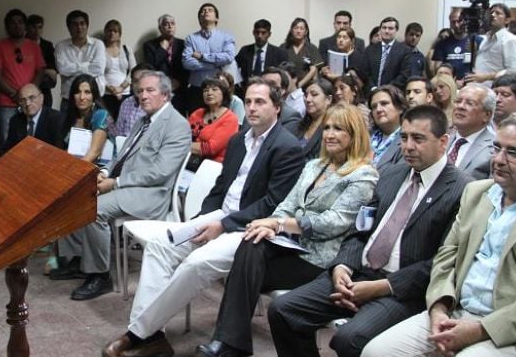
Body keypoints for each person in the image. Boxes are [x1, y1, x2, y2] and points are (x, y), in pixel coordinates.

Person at [101, 78, 302, 357]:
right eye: (248, 102)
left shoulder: (288, 147)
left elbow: (272, 204)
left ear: (277, 108)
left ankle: (138, 334)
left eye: (260, 102)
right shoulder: (238, 141)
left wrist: (222, 225)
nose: (252, 108)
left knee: (196, 262)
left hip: (251, 228)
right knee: (161, 245)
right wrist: (198, 220)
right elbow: (220, 188)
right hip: (221, 215)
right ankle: (152, 336)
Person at [267, 105, 472, 357]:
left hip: (400, 289)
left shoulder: (461, 190)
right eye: (404, 137)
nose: (408, 146)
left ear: (443, 142)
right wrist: (343, 267)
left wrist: (381, 287)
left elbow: (442, 263)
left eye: (418, 139)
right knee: (283, 309)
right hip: (357, 274)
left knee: (349, 339)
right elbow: (361, 229)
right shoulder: (390, 174)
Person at [365, 112, 516, 357]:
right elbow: (447, 257)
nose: (499, 160)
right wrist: (439, 308)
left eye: (513, 153)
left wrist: (481, 330)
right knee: (376, 351)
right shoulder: (477, 193)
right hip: (454, 312)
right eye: (497, 148)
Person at [198, 104, 378, 357]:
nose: (329, 134)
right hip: (291, 247)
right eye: (327, 128)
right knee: (252, 241)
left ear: (355, 134)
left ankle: (229, 343)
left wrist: (281, 224)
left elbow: (335, 222)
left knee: (246, 265)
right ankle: (230, 343)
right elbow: (287, 205)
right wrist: (272, 224)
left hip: (321, 260)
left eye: (339, 129)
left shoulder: (363, 175)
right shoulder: (315, 166)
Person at [52, 71, 191, 301]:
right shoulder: (143, 120)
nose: (143, 96)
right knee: (72, 196)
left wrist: (115, 183)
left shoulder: (177, 125)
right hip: (126, 185)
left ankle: (100, 276)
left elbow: (160, 172)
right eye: (140, 91)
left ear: (165, 95)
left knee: (93, 209)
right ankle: (79, 260)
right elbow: (122, 155)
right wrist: (104, 172)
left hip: (151, 195)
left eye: (150, 90)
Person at [0, 8, 46, 148]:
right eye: (13, 23)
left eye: (20, 22)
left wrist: (30, 95)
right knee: (7, 142)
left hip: (32, 102)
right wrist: (15, 94)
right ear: (7, 26)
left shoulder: (33, 46)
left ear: (25, 25)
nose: (17, 26)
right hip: (7, 103)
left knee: (34, 142)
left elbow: (40, 71)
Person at [182, 3, 237, 112]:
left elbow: (229, 57)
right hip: (197, 89)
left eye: (210, 10)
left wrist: (202, 56)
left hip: (220, 88)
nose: (206, 12)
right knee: (197, 123)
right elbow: (186, 62)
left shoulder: (226, 37)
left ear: (216, 18)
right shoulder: (190, 39)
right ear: (199, 19)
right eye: (203, 11)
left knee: (220, 122)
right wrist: (216, 63)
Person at [55, 9, 107, 109]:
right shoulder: (61, 46)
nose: (79, 27)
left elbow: (99, 69)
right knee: (66, 125)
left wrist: (73, 68)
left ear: (87, 26)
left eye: (82, 23)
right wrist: (87, 65)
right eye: (75, 24)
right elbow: (62, 69)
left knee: (97, 124)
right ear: (69, 28)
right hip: (69, 98)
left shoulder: (98, 44)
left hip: (94, 97)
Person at [187, 77, 239, 168]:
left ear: (224, 94)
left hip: (213, 166)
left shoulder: (230, 118)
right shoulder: (198, 113)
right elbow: (181, 135)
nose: (209, 93)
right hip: (188, 160)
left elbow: (210, 148)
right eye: (205, 90)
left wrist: (179, 146)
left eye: (214, 90)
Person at [447, 84, 496, 180]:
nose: (460, 106)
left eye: (470, 103)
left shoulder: (495, 148)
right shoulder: (442, 139)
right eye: (458, 101)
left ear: (487, 115)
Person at [59, 74, 111, 164]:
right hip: (73, 164)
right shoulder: (70, 117)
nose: (82, 97)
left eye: (87, 92)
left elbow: (94, 152)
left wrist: (73, 169)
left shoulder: (101, 115)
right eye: (78, 92)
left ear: (94, 96)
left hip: (97, 168)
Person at [143, 14, 188, 115]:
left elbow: (188, 67)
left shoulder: (183, 44)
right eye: (166, 24)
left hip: (179, 90)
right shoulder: (149, 45)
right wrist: (162, 50)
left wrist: (180, 82)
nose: (170, 26)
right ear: (160, 28)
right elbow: (150, 67)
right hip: (159, 90)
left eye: (172, 23)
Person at [466, 3, 516, 86]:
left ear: (507, 20)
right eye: (491, 13)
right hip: (479, 87)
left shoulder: (510, 40)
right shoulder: (485, 39)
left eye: (498, 13)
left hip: (495, 90)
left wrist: (486, 77)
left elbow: (513, 72)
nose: (492, 15)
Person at [1, 83, 62, 155]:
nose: (27, 103)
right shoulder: (15, 121)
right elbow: (8, 150)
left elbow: (60, 152)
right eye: (23, 100)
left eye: (32, 98)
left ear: (41, 98)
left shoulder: (56, 119)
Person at [365, 17, 417, 91]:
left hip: (394, 93)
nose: (386, 31)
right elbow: (365, 73)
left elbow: (404, 74)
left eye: (390, 28)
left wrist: (386, 89)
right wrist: (373, 88)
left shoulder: (405, 51)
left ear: (396, 30)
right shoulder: (370, 49)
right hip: (371, 92)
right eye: (384, 28)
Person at [235, 19, 288, 90]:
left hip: (270, 91)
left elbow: (285, 76)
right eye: (257, 32)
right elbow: (234, 67)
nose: (260, 36)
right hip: (247, 89)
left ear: (269, 34)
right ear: (253, 33)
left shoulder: (279, 53)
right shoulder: (245, 50)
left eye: (263, 33)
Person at [431, 8, 482, 82]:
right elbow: (438, 69)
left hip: (471, 84)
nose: (456, 25)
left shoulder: (476, 40)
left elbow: (483, 65)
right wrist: (452, 82)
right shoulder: (442, 43)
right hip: (449, 84)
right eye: (453, 22)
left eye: (459, 21)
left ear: (465, 21)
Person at [296, 79, 335, 166]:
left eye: (314, 94)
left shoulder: (334, 128)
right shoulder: (299, 125)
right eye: (306, 95)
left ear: (328, 99)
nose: (308, 99)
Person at [102, 19, 136, 119]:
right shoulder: (100, 50)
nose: (112, 33)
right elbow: (98, 73)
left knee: (124, 121)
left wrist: (121, 87)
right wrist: (112, 89)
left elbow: (134, 71)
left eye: (115, 31)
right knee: (108, 123)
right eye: (109, 30)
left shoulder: (126, 49)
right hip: (106, 94)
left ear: (120, 34)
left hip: (125, 93)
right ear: (105, 32)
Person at [370, 85, 408, 172]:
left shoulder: (408, 140)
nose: (378, 109)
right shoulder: (364, 137)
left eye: (384, 103)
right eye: (374, 106)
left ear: (400, 108)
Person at [109, 63, 153, 138]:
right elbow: (118, 134)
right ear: (131, 84)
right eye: (136, 81)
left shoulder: (159, 106)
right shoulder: (126, 103)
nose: (139, 85)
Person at [25, 14, 58, 107]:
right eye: (33, 27)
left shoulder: (47, 45)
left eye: (40, 27)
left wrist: (37, 70)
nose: (37, 31)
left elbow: (53, 71)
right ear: (27, 27)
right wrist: (43, 70)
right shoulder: (20, 43)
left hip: (44, 90)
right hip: (25, 88)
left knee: (46, 118)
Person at [260, 67, 302, 136]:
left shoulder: (290, 116)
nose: (265, 88)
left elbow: (284, 144)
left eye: (271, 84)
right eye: (262, 84)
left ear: (282, 90)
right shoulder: (251, 111)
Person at [281, 17, 321, 89]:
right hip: (287, 85)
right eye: (296, 28)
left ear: (305, 32)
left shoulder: (311, 48)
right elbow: (280, 68)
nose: (298, 31)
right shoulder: (284, 47)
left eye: (301, 28)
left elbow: (313, 70)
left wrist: (299, 85)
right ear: (291, 30)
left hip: (307, 86)